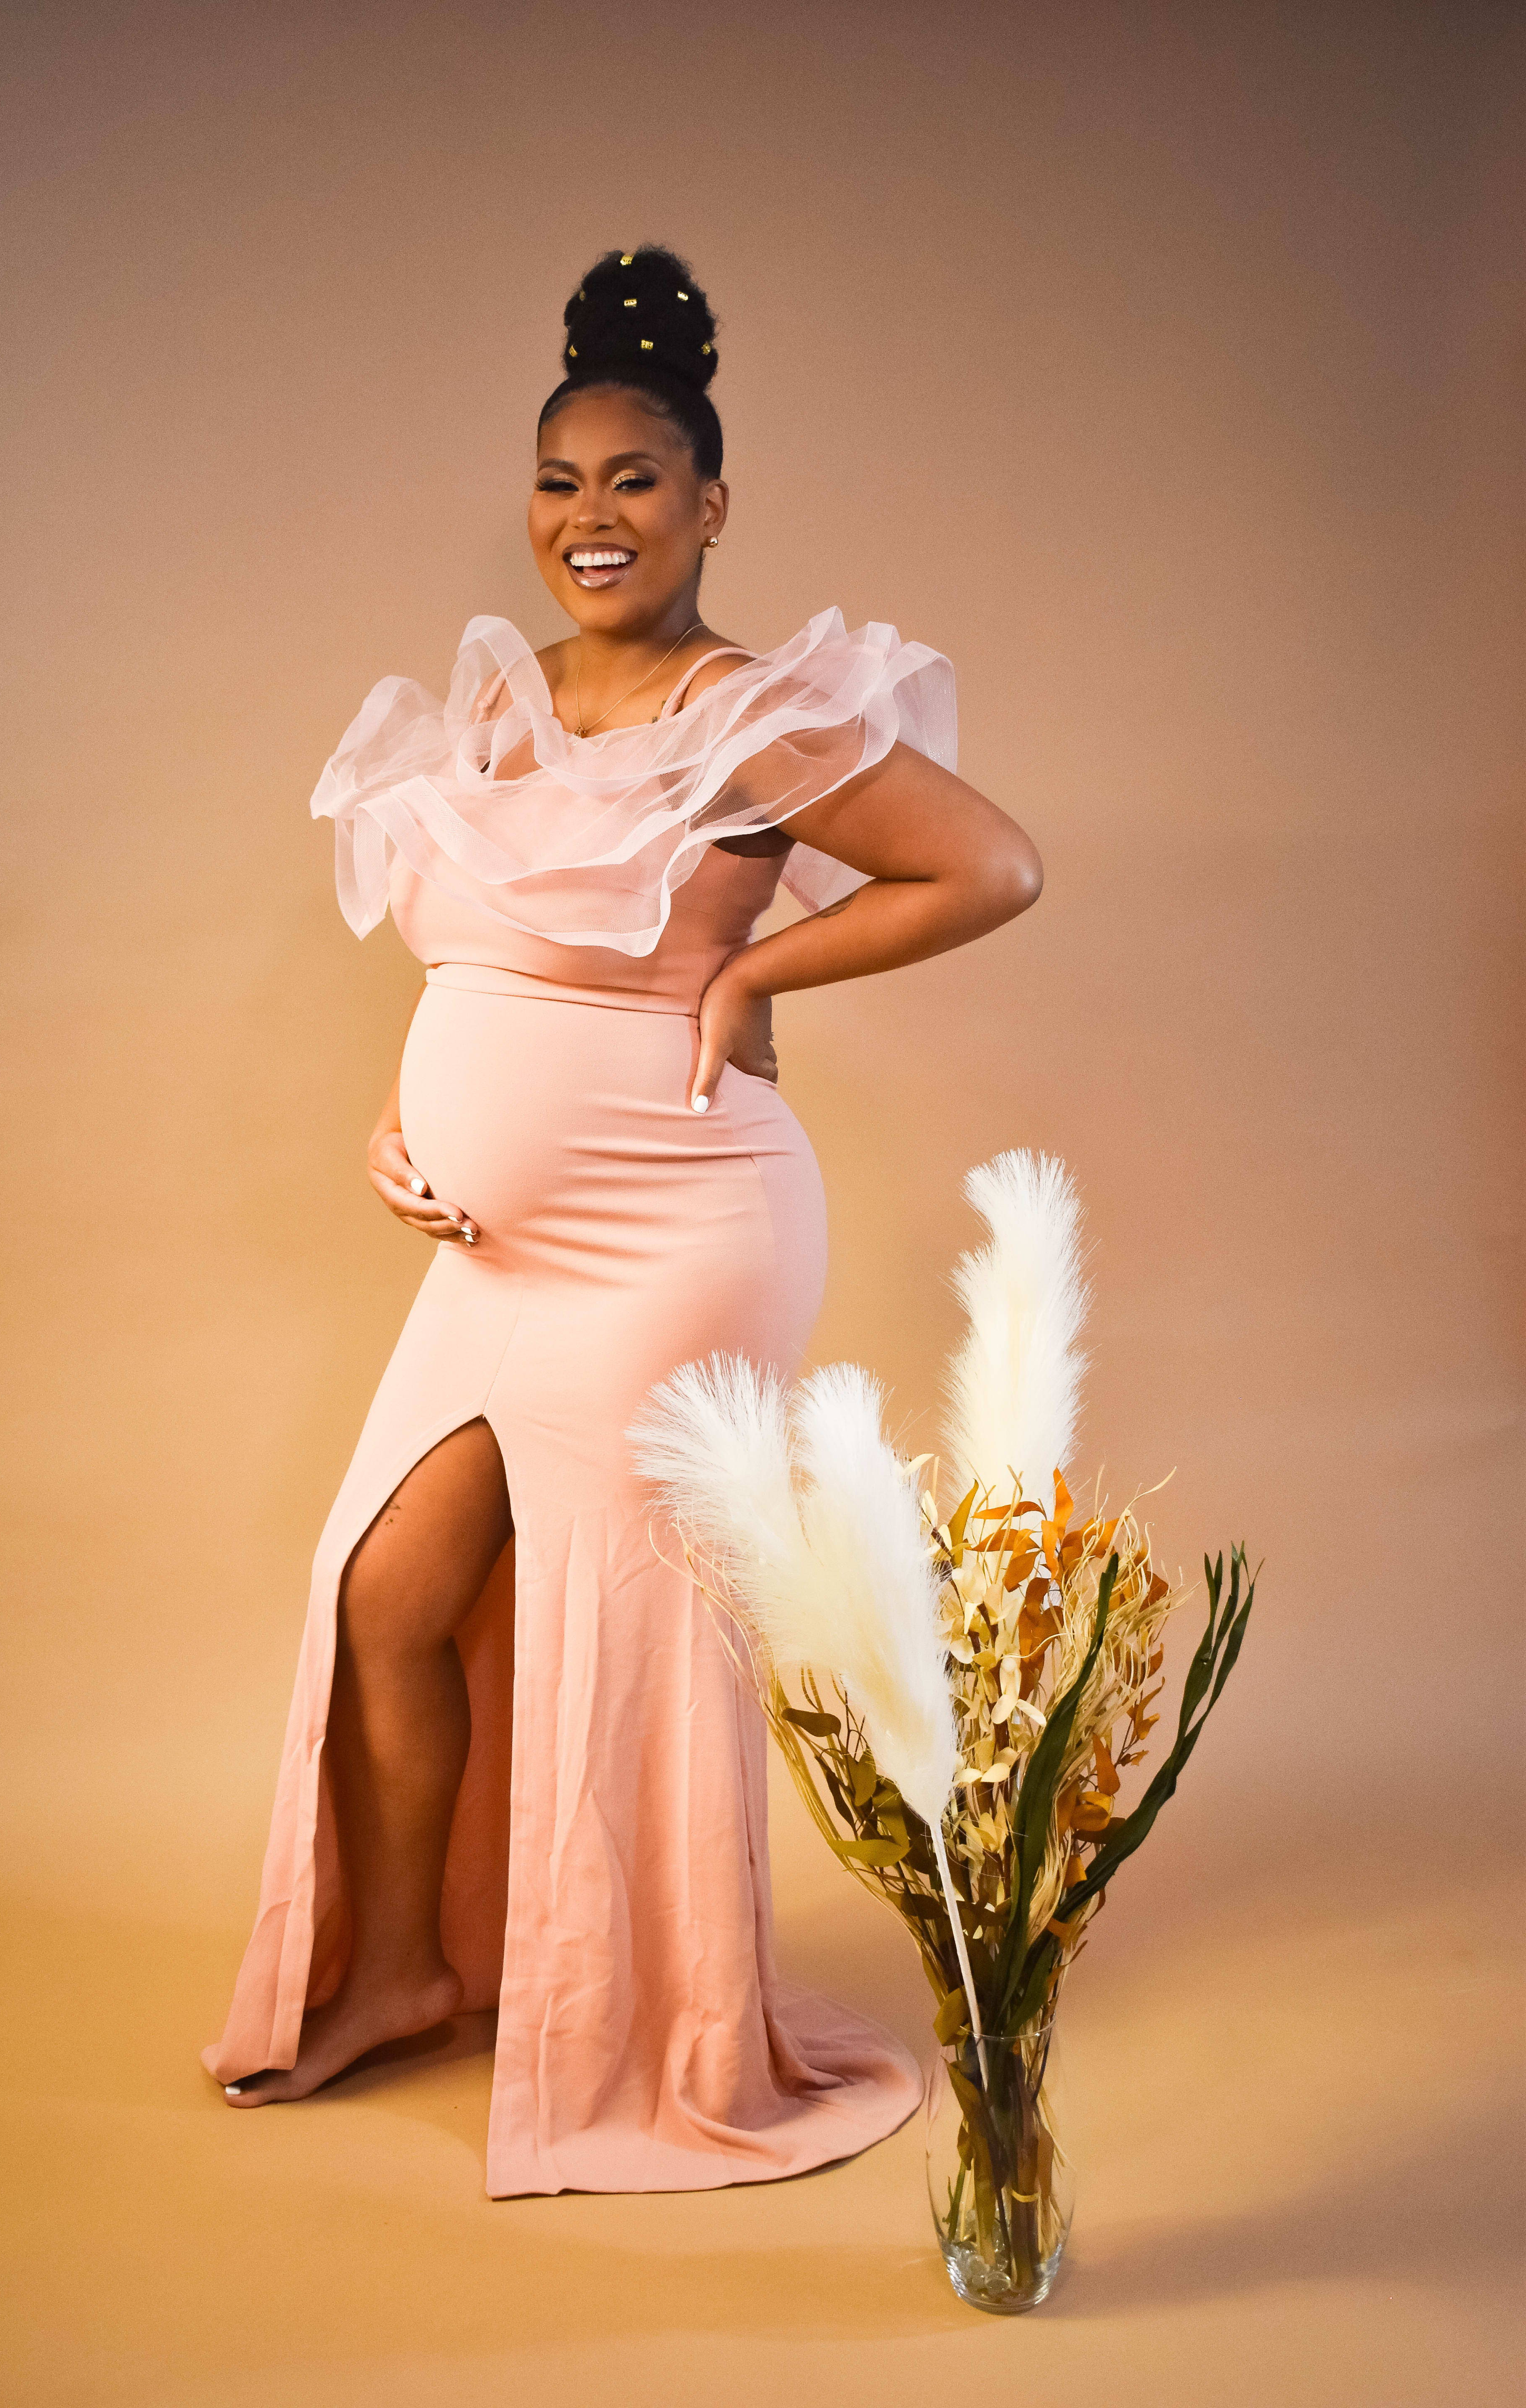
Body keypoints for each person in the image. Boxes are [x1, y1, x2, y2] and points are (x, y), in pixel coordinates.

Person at [203, 244, 1043, 2197]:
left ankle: (659, 2036)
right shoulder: (494, 710)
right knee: (386, 1597)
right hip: (492, 1254)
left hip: (682, 1231)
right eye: (562, 481)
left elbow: (988, 864)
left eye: (637, 480)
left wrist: (753, 988)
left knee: (634, 1639)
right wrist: (404, 1126)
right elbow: (483, 975)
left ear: (712, 505)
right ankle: (407, 1968)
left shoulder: (753, 712)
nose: (591, 518)